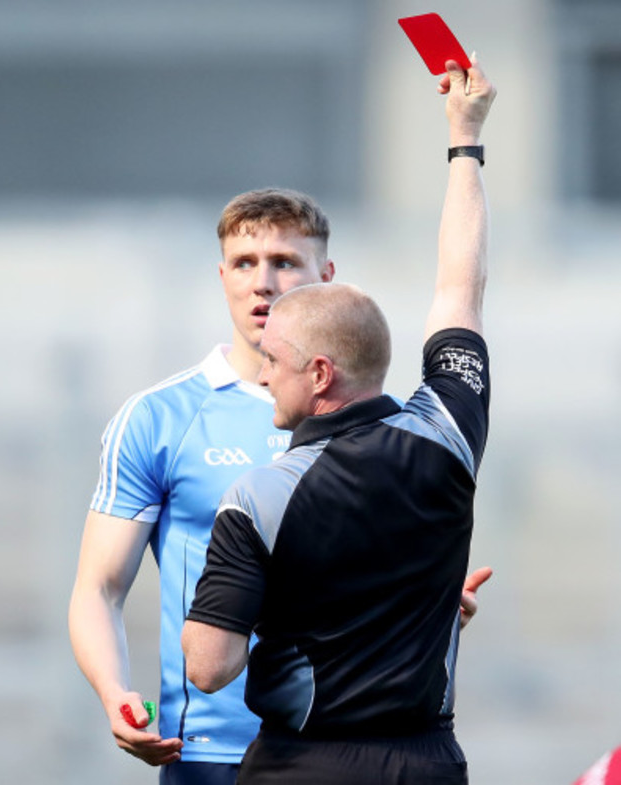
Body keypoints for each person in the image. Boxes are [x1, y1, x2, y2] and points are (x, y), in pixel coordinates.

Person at [68, 65, 491, 785]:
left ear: (327, 273)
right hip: (204, 749)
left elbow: (219, 653)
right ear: (222, 274)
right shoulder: (159, 416)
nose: (263, 280)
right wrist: (115, 693)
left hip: (301, 751)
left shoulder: (353, 429)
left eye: (284, 261)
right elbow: (97, 588)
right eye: (244, 262)